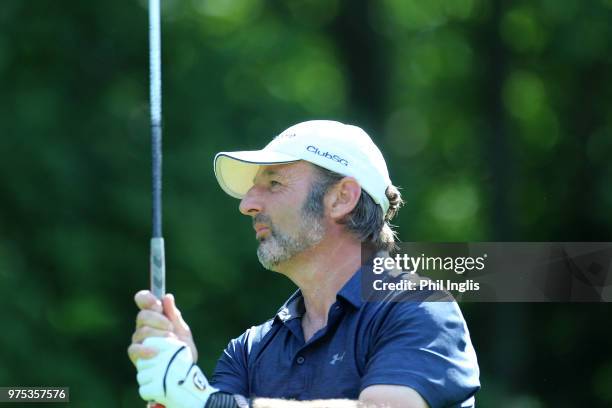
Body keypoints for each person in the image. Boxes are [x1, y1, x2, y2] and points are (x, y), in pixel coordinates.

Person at [128, 120, 480, 408]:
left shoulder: (420, 309)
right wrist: (171, 384)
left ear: (341, 198)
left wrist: (200, 398)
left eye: (274, 183)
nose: (247, 204)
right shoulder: (249, 350)